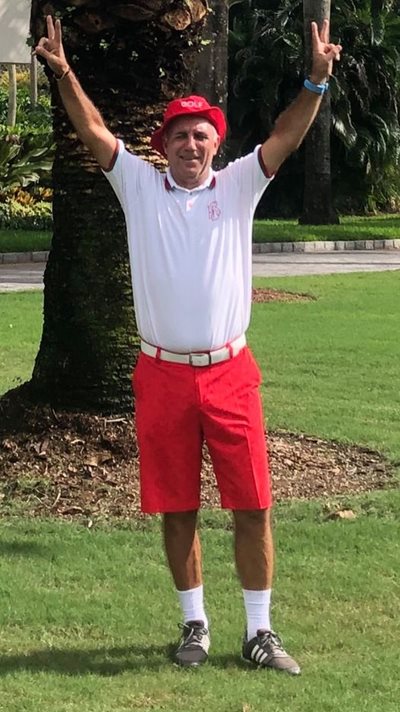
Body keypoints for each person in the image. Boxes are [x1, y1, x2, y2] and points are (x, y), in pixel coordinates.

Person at [36, 15, 341, 674]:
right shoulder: (140, 187)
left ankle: (259, 633)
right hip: (162, 375)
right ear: (163, 144)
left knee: (254, 502)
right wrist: (63, 73)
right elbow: (92, 130)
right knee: (176, 505)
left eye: (201, 133)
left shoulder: (238, 187)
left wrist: (315, 82)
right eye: (179, 134)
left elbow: (286, 137)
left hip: (230, 372)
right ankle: (194, 625)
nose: (190, 143)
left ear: (216, 144)